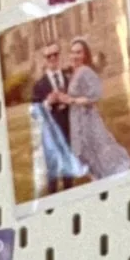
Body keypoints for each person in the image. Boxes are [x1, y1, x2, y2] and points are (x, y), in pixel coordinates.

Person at [62, 38, 130, 183]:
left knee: (97, 146)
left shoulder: (86, 70)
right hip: (77, 117)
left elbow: (95, 96)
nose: (75, 55)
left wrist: (72, 101)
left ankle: (110, 173)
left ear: (85, 54)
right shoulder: (76, 71)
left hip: (87, 118)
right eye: (72, 52)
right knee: (84, 150)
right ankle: (98, 176)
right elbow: (77, 94)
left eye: (78, 52)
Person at [28, 40, 84, 195]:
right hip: (50, 133)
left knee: (68, 171)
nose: (52, 59)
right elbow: (34, 113)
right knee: (53, 172)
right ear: (44, 59)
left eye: (55, 55)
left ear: (59, 56)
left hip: (68, 128)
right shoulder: (39, 85)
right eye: (48, 56)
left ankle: (69, 194)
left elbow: (78, 101)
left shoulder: (68, 78)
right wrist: (47, 102)